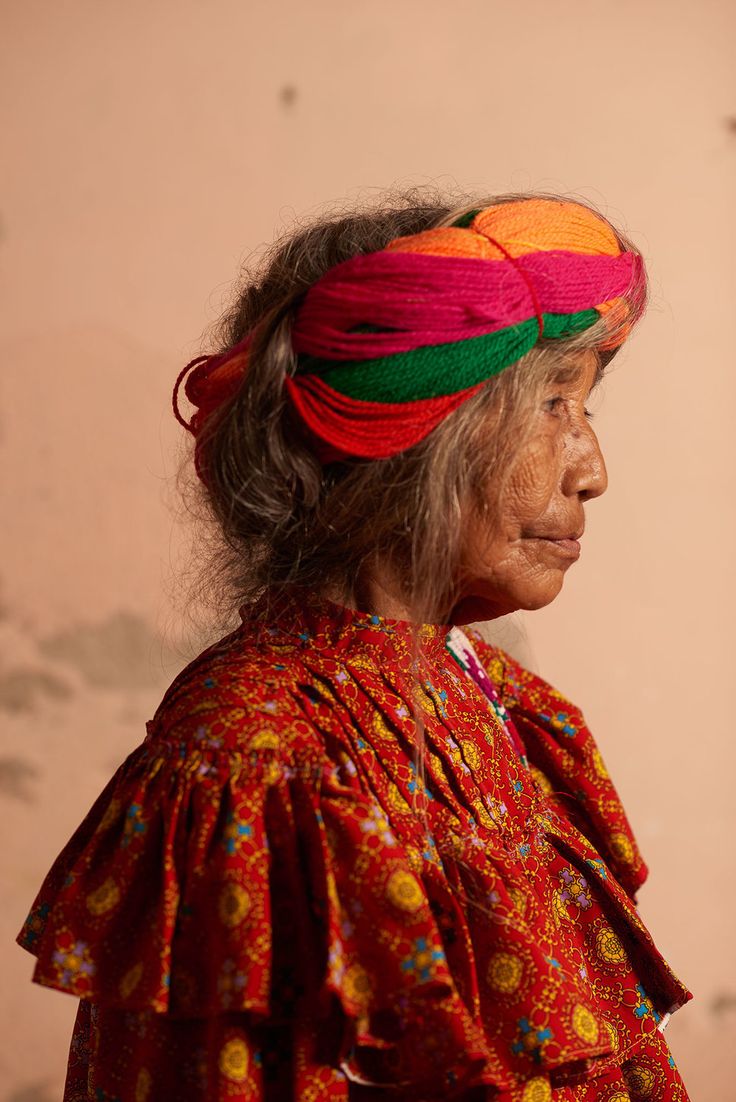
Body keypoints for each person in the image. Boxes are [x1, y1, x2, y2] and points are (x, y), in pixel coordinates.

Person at [16, 192, 692, 1101]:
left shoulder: (488, 696)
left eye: (586, 407)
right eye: (551, 404)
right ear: (416, 430)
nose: (592, 470)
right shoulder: (254, 755)